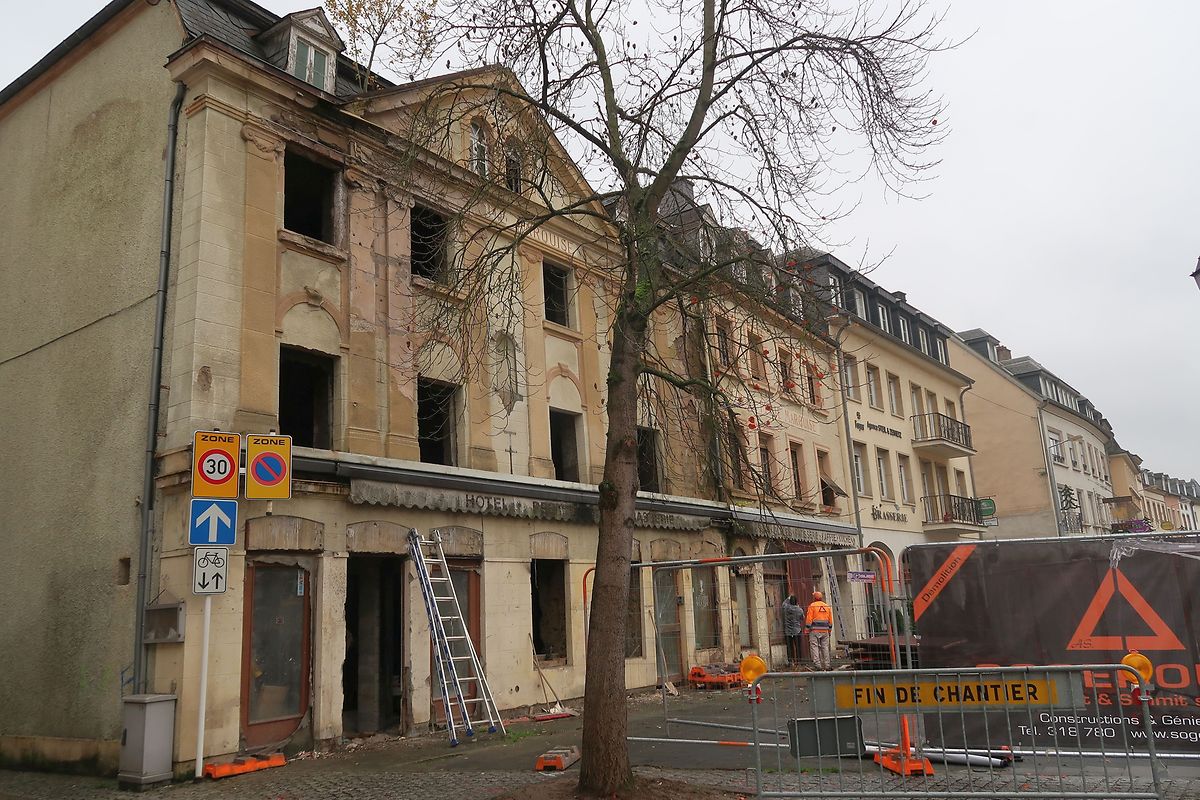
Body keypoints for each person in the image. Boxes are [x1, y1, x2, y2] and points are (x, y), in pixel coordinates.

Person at [806, 590, 834, 670]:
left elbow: (809, 619)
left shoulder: (812, 606)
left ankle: (817, 665)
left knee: (814, 647)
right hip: (825, 630)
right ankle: (827, 665)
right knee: (825, 647)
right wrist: (829, 630)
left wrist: (807, 628)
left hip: (814, 630)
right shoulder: (826, 606)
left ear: (814, 598)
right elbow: (830, 620)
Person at [782, 594, 805, 666]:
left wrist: (788, 598)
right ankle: (799, 661)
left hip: (788, 631)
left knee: (789, 646)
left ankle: (790, 661)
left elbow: (783, 604)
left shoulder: (786, 608)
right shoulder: (799, 609)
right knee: (798, 646)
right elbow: (802, 618)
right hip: (797, 630)